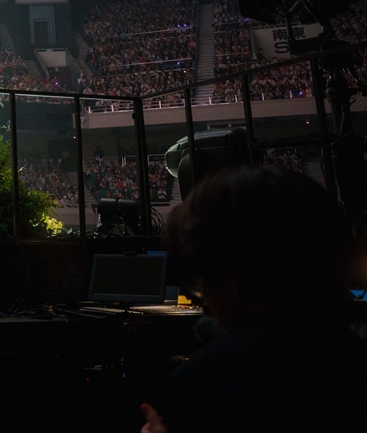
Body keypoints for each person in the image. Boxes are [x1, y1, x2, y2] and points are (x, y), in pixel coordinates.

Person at [139, 165, 363, 433]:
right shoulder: (351, 354)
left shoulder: (210, 379)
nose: (205, 302)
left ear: (230, 279)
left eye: (201, 285)